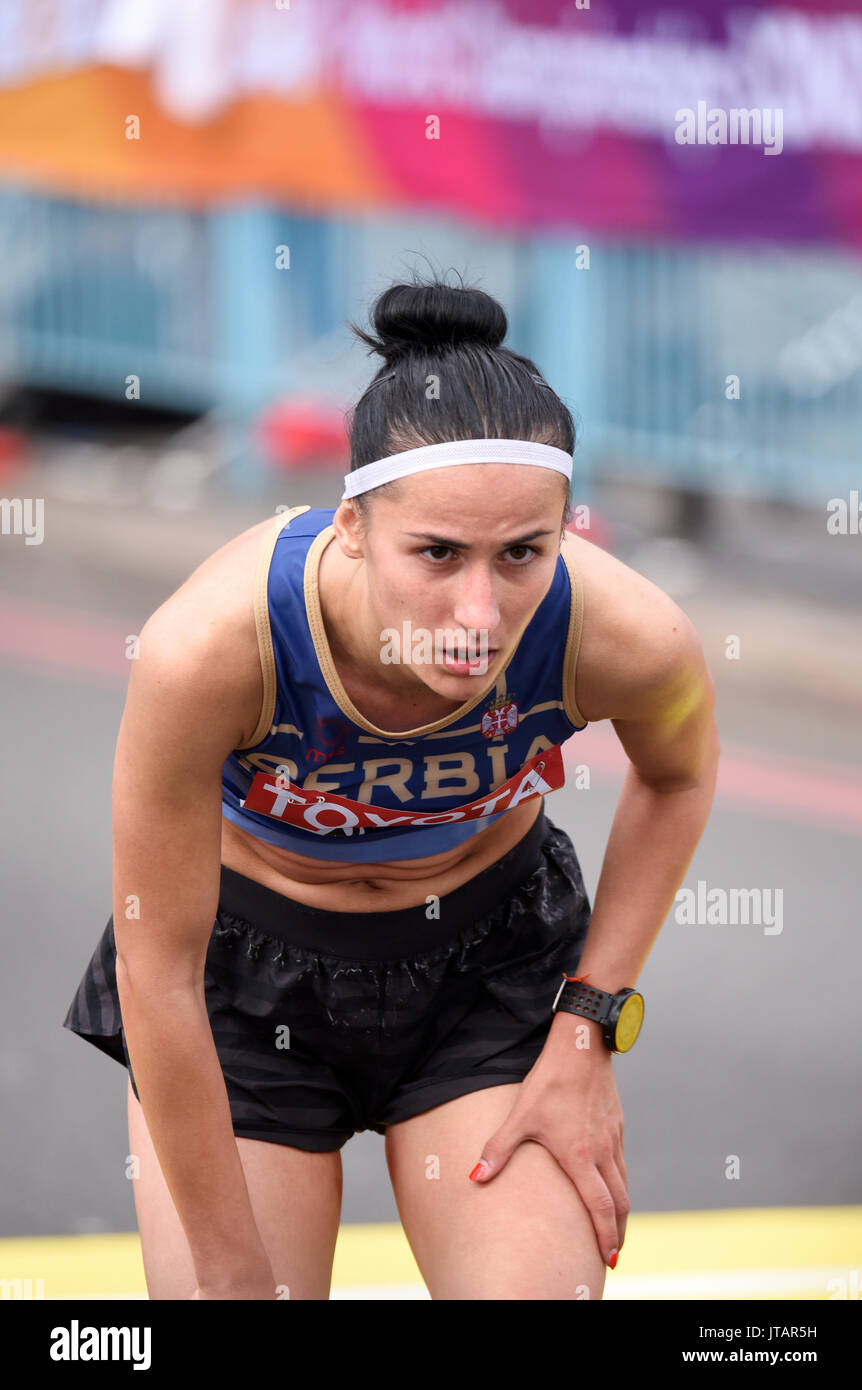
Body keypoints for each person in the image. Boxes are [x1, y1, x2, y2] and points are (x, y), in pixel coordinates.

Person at [63, 274, 719, 1301]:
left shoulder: (626, 636)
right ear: (354, 527)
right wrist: (233, 1275)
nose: (480, 609)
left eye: (523, 554)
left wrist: (588, 1022)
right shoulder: (211, 650)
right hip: (245, 983)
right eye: (438, 552)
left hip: (489, 974)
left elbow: (678, 775)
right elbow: (159, 973)